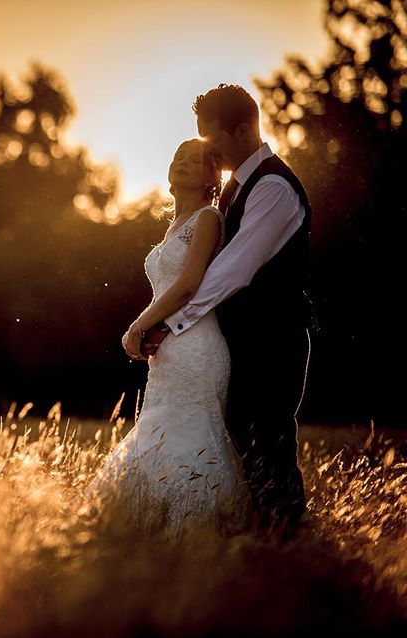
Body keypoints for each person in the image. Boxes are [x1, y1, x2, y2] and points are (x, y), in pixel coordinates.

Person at [142, 84, 312, 537]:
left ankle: (290, 549)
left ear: (243, 129)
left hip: (273, 342)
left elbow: (232, 272)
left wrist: (169, 321)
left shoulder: (272, 186)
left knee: (269, 446)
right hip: (236, 344)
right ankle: (254, 546)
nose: (209, 153)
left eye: (213, 142)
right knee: (240, 447)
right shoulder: (233, 189)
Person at [83, 138, 250, 535]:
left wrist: (138, 325)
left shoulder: (208, 218)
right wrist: (152, 329)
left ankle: (195, 529)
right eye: (178, 158)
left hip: (196, 346)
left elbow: (189, 284)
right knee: (158, 431)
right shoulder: (174, 224)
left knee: (189, 432)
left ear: (213, 175)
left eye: (195, 161)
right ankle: (149, 527)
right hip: (168, 350)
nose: (183, 164)